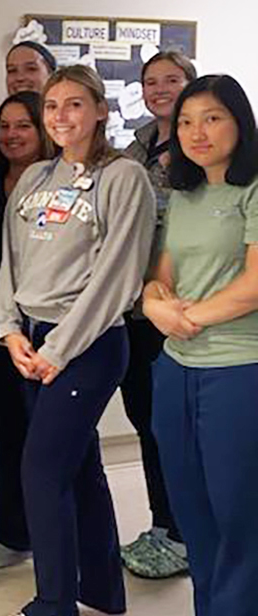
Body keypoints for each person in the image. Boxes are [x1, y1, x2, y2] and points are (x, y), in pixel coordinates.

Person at [0, 64, 155, 616]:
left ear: (102, 110)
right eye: (52, 107)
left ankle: (54, 602)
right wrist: (9, 330)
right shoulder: (35, 177)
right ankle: (103, 591)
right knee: (77, 465)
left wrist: (59, 350)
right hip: (31, 341)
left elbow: (119, 275)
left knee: (40, 470)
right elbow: (9, 263)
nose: (61, 116)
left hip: (89, 343)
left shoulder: (123, 177)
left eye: (74, 105)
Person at [144, 74, 258, 616]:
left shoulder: (254, 187)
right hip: (175, 371)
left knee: (239, 514)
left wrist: (185, 318)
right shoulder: (185, 194)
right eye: (187, 121)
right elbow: (161, 274)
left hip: (238, 371)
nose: (197, 132)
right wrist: (151, 302)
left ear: (239, 120)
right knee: (193, 512)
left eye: (212, 117)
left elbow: (254, 285)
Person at [118, 50, 196, 579]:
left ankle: (186, 534)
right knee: (147, 423)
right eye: (151, 81)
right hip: (135, 308)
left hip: (183, 309)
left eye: (172, 80)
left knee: (176, 427)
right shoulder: (139, 143)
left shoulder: (203, 145)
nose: (160, 88)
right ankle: (164, 525)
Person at [0, 91, 51, 569]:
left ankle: (52, 529)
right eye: (5, 125)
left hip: (46, 327)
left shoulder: (61, 184)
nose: (12, 134)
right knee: (0, 430)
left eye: (24, 125)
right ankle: (10, 530)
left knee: (46, 437)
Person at [0, 42, 57, 165]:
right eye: (12, 71)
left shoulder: (67, 134)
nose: (20, 78)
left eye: (31, 69)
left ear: (51, 76)